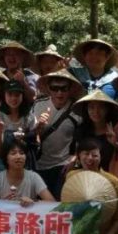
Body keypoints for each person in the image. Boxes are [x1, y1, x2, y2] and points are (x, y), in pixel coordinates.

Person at [26, 70, 84, 199]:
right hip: (39, 164)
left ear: (70, 89)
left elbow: (81, 138)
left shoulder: (77, 109)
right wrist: (37, 129)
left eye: (64, 89)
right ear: (48, 89)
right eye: (55, 88)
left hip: (63, 165)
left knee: (59, 201)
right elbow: (28, 135)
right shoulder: (38, 105)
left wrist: (74, 158)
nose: (59, 93)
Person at [72, 89, 118, 173]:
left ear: (107, 109)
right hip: (86, 175)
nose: (96, 111)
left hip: (112, 176)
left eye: (101, 107)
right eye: (91, 107)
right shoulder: (82, 129)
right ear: (86, 109)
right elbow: (77, 155)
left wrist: (116, 144)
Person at [0, 137, 52, 204]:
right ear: (6, 159)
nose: (18, 157)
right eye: (13, 153)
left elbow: (52, 203)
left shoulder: (34, 177)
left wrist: (33, 203)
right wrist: (4, 203)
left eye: (22, 153)